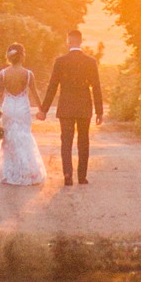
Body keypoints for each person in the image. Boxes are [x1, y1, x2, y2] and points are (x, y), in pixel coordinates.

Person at [39, 26, 104, 185]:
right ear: (81, 41)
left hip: (66, 108)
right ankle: (82, 177)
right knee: (83, 141)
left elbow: (52, 86)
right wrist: (99, 111)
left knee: (66, 142)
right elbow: (96, 86)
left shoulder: (60, 61)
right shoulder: (90, 62)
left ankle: (67, 175)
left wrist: (44, 109)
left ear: (68, 41)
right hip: (84, 108)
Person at [0, 42, 47, 187]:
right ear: (22, 56)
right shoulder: (28, 74)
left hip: (8, 107)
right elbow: (35, 94)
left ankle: (9, 172)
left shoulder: (3, 74)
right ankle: (27, 171)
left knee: (8, 137)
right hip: (22, 108)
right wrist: (42, 109)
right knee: (24, 136)